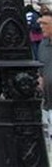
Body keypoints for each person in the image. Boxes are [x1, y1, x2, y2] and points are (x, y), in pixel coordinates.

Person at [37, 13, 52, 141]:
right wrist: (41, 77)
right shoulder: (43, 45)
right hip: (48, 101)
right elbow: (42, 65)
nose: (41, 27)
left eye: (45, 24)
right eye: (41, 23)